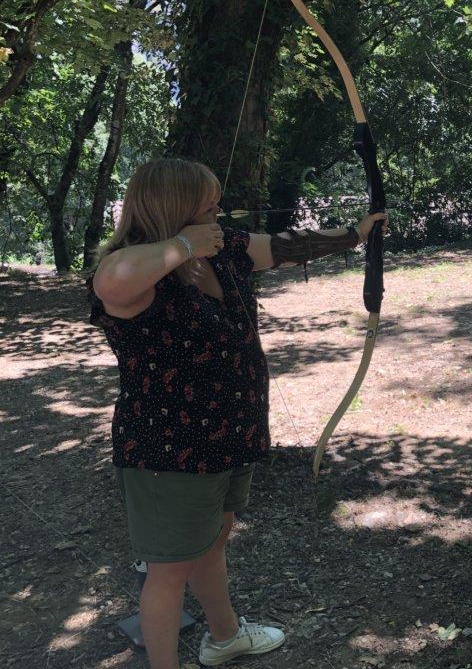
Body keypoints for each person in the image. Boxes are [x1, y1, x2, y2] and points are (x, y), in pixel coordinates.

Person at [87, 158, 387, 669]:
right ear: (174, 207)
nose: (218, 209)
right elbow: (109, 282)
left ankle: (224, 638)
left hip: (231, 432)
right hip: (170, 447)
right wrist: (184, 246)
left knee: (213, 542)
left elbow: (286, 247)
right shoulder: (133, 266)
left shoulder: (221, 248)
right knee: (169, 571)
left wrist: (355, 234)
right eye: (208, 201)